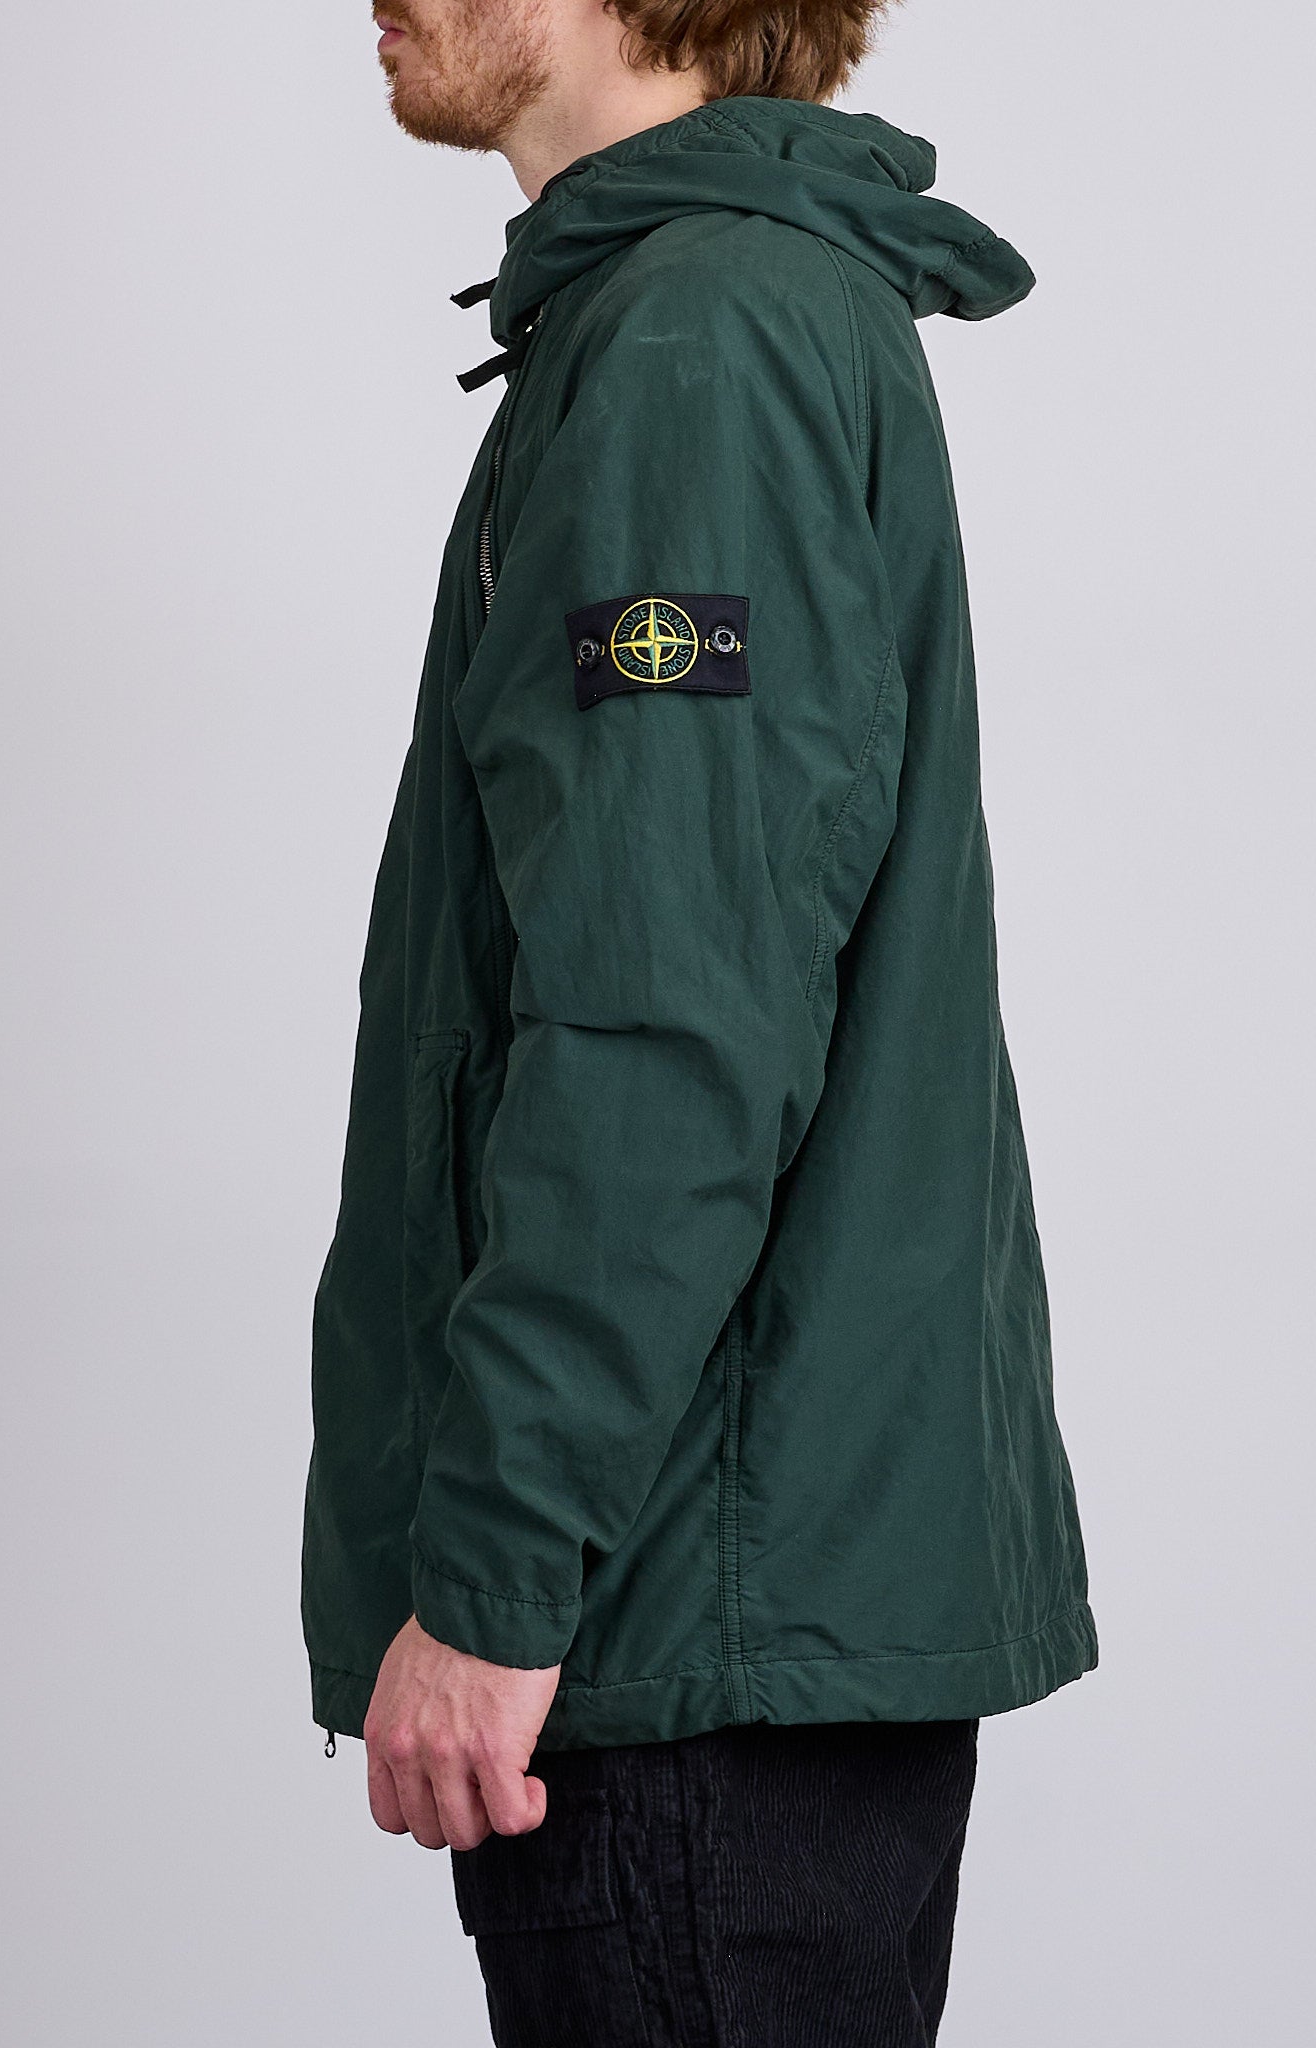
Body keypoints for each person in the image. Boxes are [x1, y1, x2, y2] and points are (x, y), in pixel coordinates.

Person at [302, 2, 1097, 2039]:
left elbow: (668, 1022)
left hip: (679, 1615)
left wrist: (495, 1577)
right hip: (719, 1603)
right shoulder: (704, 315)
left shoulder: (698, 342)